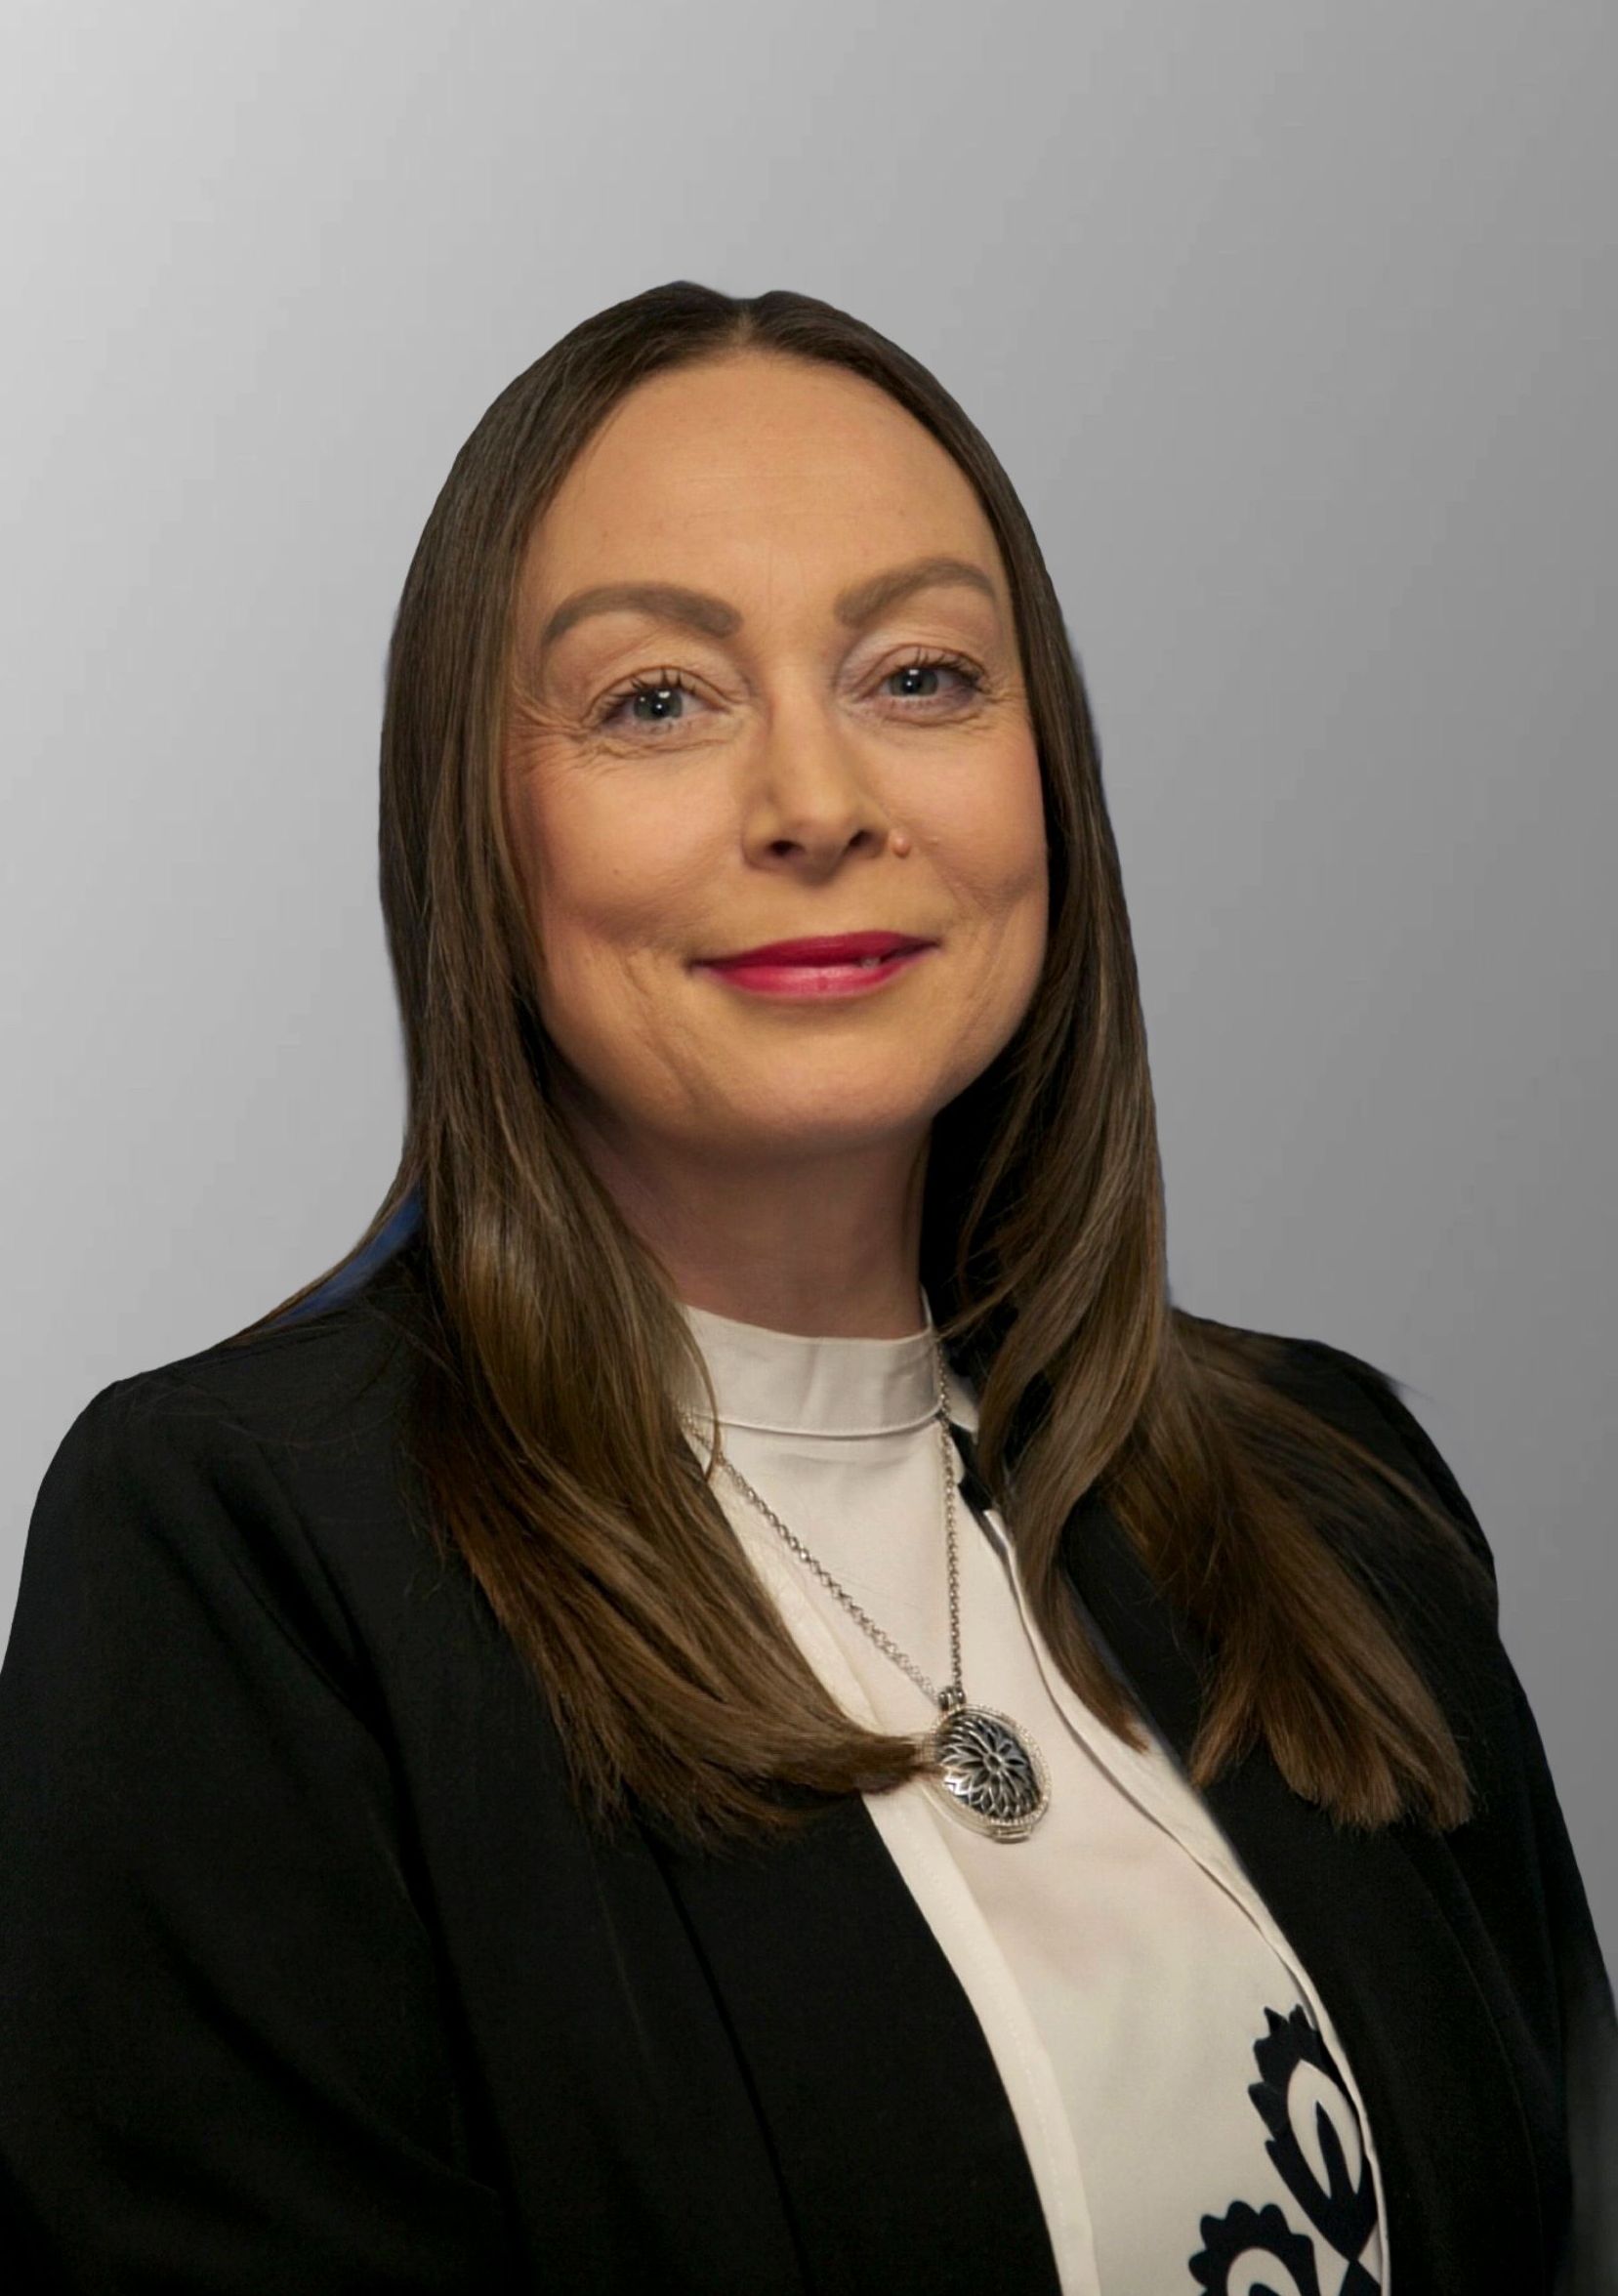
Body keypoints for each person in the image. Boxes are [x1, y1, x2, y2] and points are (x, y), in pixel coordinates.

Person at [1, 281, 1612, 2295]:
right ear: (476, 829)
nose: (820, 803)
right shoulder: (245, 1553)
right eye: (656, 701)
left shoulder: (1329, 1487)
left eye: (920, 676)